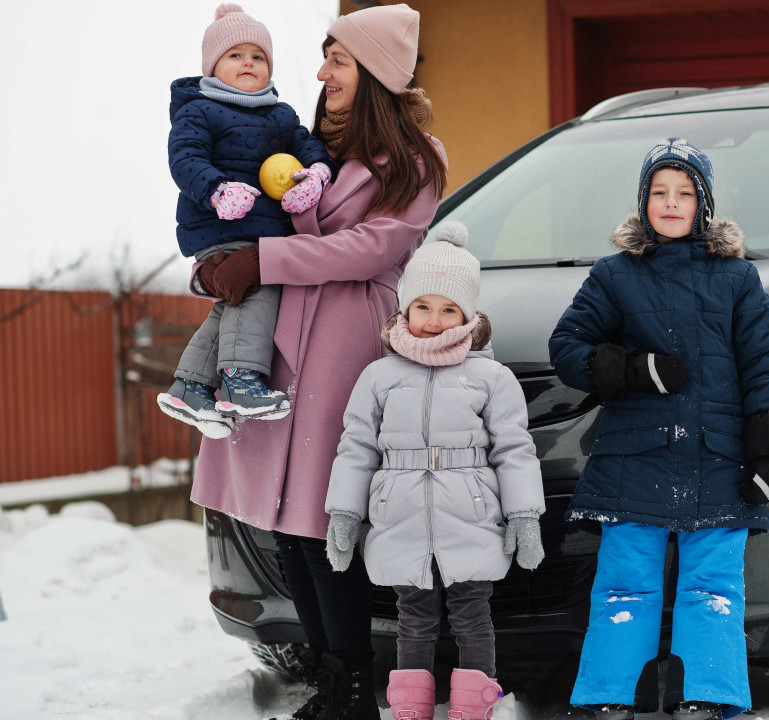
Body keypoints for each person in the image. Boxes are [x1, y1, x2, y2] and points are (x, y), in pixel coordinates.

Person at [187, 4, 449, 719]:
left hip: (341, 347)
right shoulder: (308, 146)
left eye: (337, 59)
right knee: (283, 524)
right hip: (275, 341)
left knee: (322, 520)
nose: (320, 71)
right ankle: (335, 686)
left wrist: (262, 258)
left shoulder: (417, 160)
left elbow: (370, 249)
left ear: (374, 72)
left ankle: (356, 685)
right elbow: (238, 217)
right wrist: (216, 266)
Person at [549, 138, 769, 720]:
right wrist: (631, 369)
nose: (671, 202)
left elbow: (764, 362)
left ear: (704, 205)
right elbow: (567, 347)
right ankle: (611, 695)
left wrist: (767, 451)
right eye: (659, 192)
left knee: (712, 587)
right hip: (637, 456)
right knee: (624, 583)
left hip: (718, 457)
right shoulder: (615, 276)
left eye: (685, 193)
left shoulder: (736, 280)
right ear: (643, 201)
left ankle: (706, 694)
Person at [325, 221, 546, 720]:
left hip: (468, 513)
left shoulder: (491, 376)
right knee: (414, 618)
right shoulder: (378, 376)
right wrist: (343, 514)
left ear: (468, 314)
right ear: (404, 307)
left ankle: (475, 709)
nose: (434, 320)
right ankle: (411, 711)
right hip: (400, 515)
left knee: (473, 615)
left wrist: (524, 515)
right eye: (423, 306)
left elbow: (514, 449)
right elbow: (356, 446)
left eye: (449, 310)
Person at [158, 4, 333, 438]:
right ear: (213, 65)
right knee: (258, 288)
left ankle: (192, 386)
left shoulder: (280, 113)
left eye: (257, 56)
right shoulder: (198, 110)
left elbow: (307, 145)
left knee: (233, 301)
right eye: (235, 55)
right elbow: (184, 159)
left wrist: (317, 173)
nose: (248, 63)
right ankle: (239, 380)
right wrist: (217, 190)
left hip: (263, 231)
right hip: (219, 227)